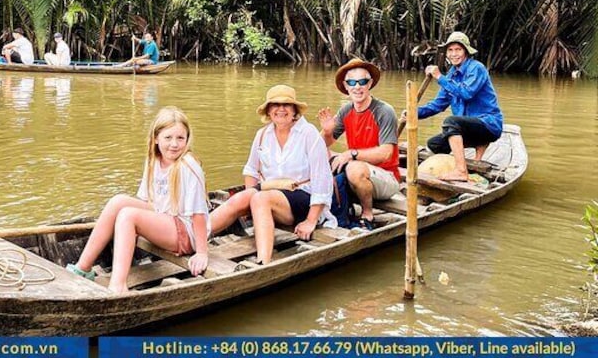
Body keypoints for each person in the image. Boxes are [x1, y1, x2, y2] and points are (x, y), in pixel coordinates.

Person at [66, 107, 210, 293]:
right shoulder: (154, 160)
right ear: (156, 138)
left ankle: (118, 287)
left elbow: (198, 214)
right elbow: (148, 201)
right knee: (118, 202)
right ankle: (83, 268)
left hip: (186, 232)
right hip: (164, 218)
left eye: (180, 138)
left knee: (128, 216)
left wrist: (201, 253)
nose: (174, 144)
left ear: (187, 139)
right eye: (168, 138)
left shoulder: (188, 165)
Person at [209, 85, 335, 264]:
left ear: (294, 110)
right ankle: (192, 238)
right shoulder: (263, 135)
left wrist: (310, 220)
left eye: (286, 105)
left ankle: (263, 261)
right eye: (275, 105)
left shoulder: (309, 133)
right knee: (241, 198)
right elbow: (251, 170)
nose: (281, 109)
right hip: (272, 194)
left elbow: (323, 179)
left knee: (261, 199)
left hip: (304, 198)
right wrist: (249, 201)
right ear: (269, 110)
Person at [318, 59, 400, 231]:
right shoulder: (346, 110)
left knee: (354, 168)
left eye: (362, 82)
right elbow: (323, 144)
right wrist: (326, 132)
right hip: (357, 171)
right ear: (345, 86)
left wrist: (351, 154)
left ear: (369, 84)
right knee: (321, 153)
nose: (357, 87)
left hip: (386, 177)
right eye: (352, 82)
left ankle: (367, 214)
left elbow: (386, 153)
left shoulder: (384, 111)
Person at [415, 31, 503, 182]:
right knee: (434, 144)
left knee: (451, 122)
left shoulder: (476, 68)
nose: (454, 54)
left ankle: (461, 171)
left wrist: (439, 77)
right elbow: (437, 105)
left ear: (466, 52)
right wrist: (414, 112)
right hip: (469, 129)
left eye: (458, 50)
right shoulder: (450, 76)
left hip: (489, 126)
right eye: (450, 50)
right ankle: (470, 160)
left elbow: (466, 93)